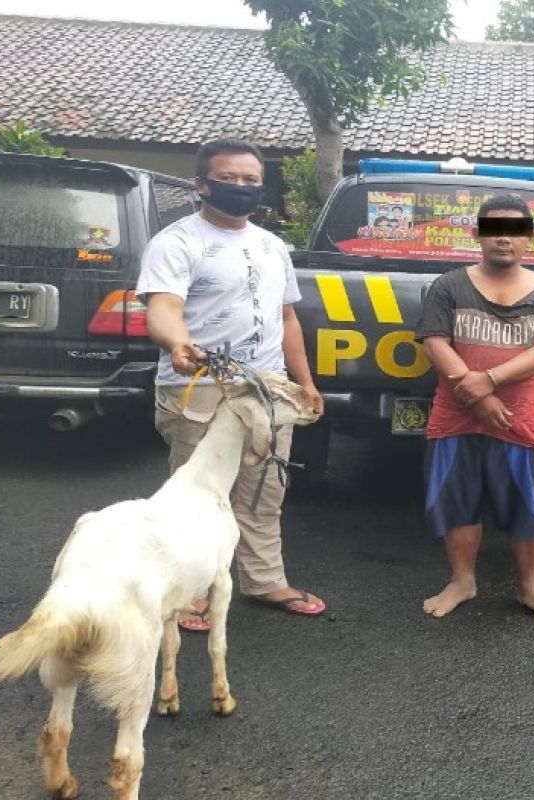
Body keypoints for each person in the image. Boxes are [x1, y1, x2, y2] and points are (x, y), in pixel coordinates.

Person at [136, 138, 326, 632]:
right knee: (196, 494)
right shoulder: (176, 243)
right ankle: (189, 593)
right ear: (202, 185)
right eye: (229, 179)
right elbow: (163, 307)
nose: (240, 188)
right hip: (201, 383)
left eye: (250, 181)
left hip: (265, 386)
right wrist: (176, 342)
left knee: (265, 487)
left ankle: (264, 581)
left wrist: (303, 383)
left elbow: (288, 319)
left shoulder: (271, 245)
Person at [414, 194, 534, 626]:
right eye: (494, 228)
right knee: (458, 503)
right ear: (476, 234)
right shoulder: (447, 286)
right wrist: (478, 395)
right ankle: (462, 581)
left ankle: (530, 589)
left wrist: (490, 381)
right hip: (456, 417)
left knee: (529, 510)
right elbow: (435, 343)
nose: (504, 238)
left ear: (530, 240)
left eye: (515, 230)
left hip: (522, 420)